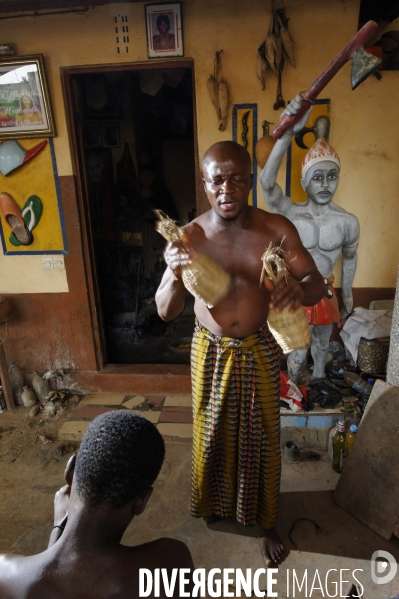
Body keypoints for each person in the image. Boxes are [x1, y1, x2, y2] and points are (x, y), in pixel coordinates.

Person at [155, 139, 326, 566]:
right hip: (208, 349)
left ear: (249, 181)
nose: (226, 189)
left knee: (261, 436)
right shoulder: (189, 237)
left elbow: (318, 284)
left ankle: (265, 523)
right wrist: (176, 274)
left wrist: (296, 289)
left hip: (260, 348)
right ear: (205, 184)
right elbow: (165, 310)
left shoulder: (276, 230)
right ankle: (213, 503)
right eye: (217, 181)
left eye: (236, 179)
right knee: (210, 432)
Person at [0, 411, 193, 598]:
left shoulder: (6, 575)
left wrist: (57, 530)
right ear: (141, 501)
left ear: (69, 471)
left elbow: (54, 577)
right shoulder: (171, 564)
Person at [261, 96, 360, 382]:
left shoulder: (347, 221)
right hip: (296, 291)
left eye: (332, 176)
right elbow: (267, 184)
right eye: (317, 177)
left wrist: (349, 295)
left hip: (326, 290)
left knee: (321, 343)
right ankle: (293, 385)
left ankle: (318, 382)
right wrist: (288, 132)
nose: (326, 184)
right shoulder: (291, 213)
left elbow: (351, 258)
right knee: (296, 348)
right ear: (304, 181)